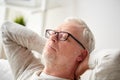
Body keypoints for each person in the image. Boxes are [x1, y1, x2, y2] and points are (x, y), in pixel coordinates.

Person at [1, 17, 95, 80]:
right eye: (54, 32)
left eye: (63, 35)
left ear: (81, 55)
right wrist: (48, 47)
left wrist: (84, 65)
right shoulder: (28, 70)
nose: (52, 37)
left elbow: (108, 61)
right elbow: (6, 29)